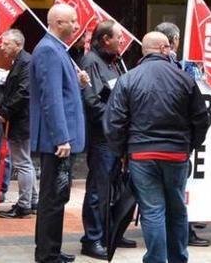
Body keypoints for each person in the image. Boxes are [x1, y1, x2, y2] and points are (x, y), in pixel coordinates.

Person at [104, 32, 211, 263]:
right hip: (176, 154)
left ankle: (155, 259)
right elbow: (202, 119)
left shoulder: (128, 79)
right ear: (164, 49)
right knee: (177, 208)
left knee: (153, 210)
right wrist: (189, 145)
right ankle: (178, 258)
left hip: (142, 154)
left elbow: (113, 122)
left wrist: (123, 152)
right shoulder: (184, 79)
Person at [31, 4, 90, 263]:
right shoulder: (48, 50)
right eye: (72, 21)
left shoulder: (57, 49)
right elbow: (51, 97)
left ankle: (51, 249)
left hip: (62, 139)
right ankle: (47, 253)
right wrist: (61, 137)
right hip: (57, 141)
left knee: (58, 195)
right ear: (57, 22)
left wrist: (77, 82)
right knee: (53, 197)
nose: (77, 26)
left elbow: (61, 90)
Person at [79, 21, 134, 259]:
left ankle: (111, 232)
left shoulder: (115, 61)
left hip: (117, 136)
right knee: (98, 190)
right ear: (105, 39)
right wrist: (116, 120)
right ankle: (92, 239)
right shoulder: (91, 62)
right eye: (118, 37)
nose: (122, 40)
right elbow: (92, 102)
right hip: (103, 138)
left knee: (116, 188)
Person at [154, 21, 210, 248]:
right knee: (176, 197)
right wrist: (192, 143)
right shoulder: (178, 71)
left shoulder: (142, 70)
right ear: (173, 41)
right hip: (176, 145)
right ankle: (181, 238)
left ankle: (166, 241)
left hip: (152, 146)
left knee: (158, 202)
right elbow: (198, 113)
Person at [0, 29, 38, 219]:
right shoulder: (20, 62)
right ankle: (33, 200)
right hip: (20, 118)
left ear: (18, 45)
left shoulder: (26, 62)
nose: (2, 47)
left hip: (21, 120)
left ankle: (23, 205)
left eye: (6, 44)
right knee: (25, 161)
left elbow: (23, 92)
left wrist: (4, 112)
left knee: (22, 163)